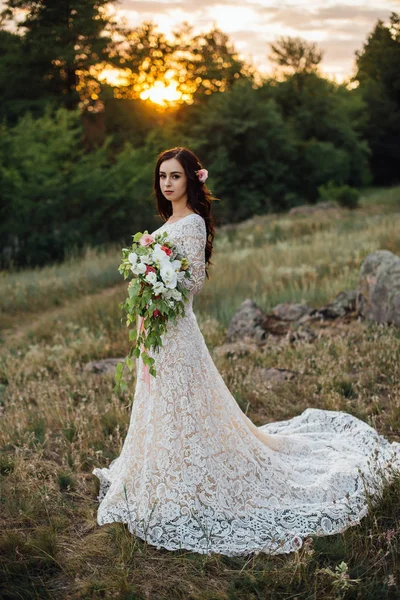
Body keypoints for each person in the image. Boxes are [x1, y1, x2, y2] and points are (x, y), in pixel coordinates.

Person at [93, 146, 400, 557]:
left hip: (177, 328)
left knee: (186, 399)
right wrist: (147, 279)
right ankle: (166, 467)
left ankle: (200, 474)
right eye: (163, 176)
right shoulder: (167, 223)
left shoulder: (192, 224)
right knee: (163, 399)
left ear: (190, 180)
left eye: (175, 176)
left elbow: (196, 282)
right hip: (159, 331)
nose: (167, 183)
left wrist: (158, 283)